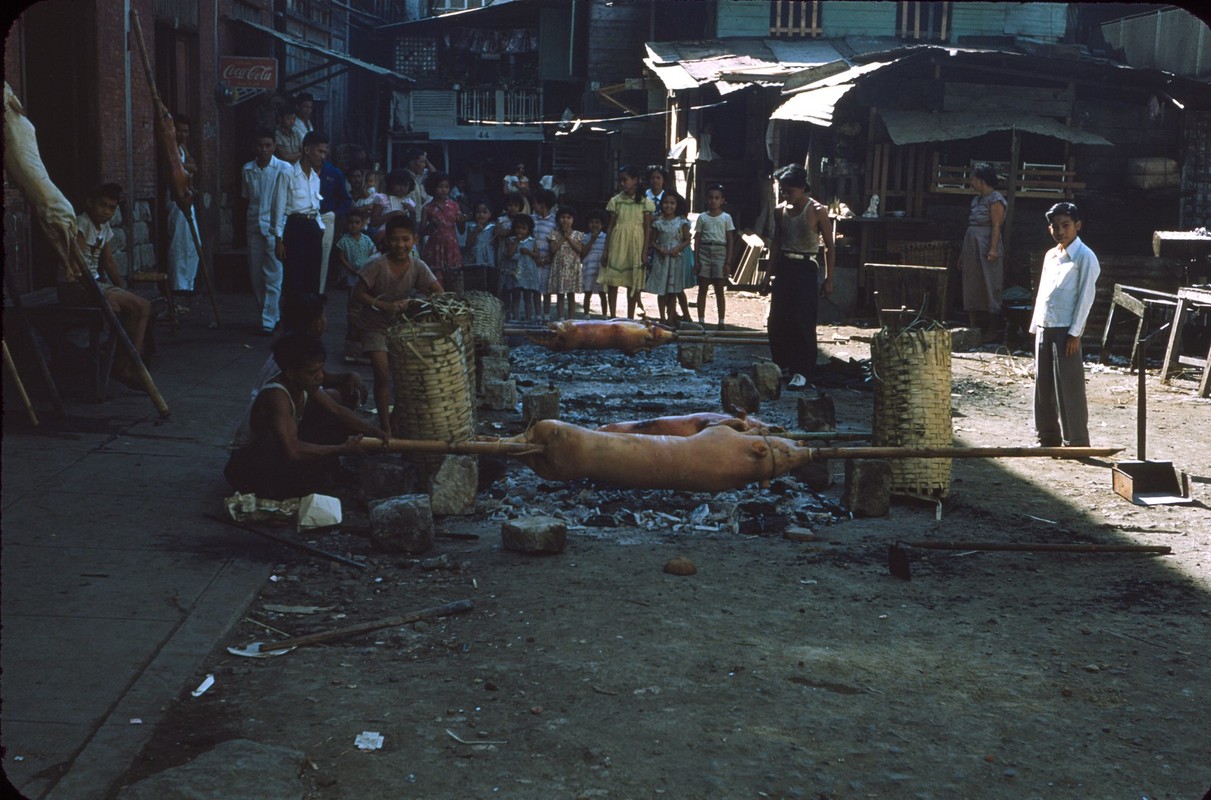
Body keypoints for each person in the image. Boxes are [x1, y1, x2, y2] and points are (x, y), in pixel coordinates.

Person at [224, 332, 386, 500]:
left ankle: (310, 477)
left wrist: (374, 430)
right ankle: (277, 489)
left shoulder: (303, 383)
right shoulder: (277, 396)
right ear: (291, 373)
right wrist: (342, 449)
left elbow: (337, 410)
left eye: (321, 369)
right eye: (312, 372)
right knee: (278, 446)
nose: (321, 377)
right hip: (246, 466)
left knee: (336, 421)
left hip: (277, 451)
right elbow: (293, 450)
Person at [351, 216, 445, 436]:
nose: (400, 245)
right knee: (382, 374)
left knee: (406, 377)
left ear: (415, 240)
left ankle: (396, 421)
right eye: (394, 240)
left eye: (405, 239)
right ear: (387, 240)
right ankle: (384, 427)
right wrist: (384, 305)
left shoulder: (418, 266)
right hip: (374, 325)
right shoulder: (376, 264)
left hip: (402, 328)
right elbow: (357, 295)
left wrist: (415, 303)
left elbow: (439, 293)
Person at [60, 183, 152, 389]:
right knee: (130, 307)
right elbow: (78, 267)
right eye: (103, 205)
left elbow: (108, 261)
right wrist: (108, 293)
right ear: (89, 203)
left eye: (112, 208)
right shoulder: (82, 224)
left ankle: (129, 362)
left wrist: (121, 287)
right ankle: (127, 365)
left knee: (141, 306)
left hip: (94, 285)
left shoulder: (104, 227)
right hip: (78, 288)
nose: (107, 212)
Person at [1030, 202, 1100, 448]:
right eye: (1056, 227)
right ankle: (1047, 436)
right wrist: (1036, 327)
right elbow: (1043, 293)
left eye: (1066, 226)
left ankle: (1077, 440)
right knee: (1044, 385)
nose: (1061, 231)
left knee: (1069, 387)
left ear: (1077, 226)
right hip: (1045, 326)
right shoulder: (1051, 255)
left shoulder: (1085, 257)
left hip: (1066, 331)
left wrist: (1075, 333)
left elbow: (1085, 298)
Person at [768, 163, 834, 391]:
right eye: (782, 190)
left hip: (806, 268)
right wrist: (767, 274)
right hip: (785, 266)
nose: (785, 194)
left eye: (789, 190)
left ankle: (803, 371)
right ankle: (783, 365)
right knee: (777, 320)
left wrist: (829, 278)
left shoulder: (817, 210)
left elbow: (829, 246)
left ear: (802, 188)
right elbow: (777, 241)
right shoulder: (780, 211)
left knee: (802, 320)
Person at [252, 293, 368, 410]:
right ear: (317, 323)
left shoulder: (297, 339)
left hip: (271, 400)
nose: (325, 320)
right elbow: (333, 406)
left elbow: (323, 377)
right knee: (341, 395)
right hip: (272, 405)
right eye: (323, 316)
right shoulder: (299, 346)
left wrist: (349, 375)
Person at [242, 128, 291, 334]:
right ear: (255, 146)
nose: (264, 149)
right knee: (255, 274)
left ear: (274, 147)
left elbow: (287, 199)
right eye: (260, 145)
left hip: (275, 227)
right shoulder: (248, 169)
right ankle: (269, 312)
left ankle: (268, 320)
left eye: (268, 145)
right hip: (254, 225)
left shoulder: (284, 168)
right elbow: (247, 197)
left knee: (273, 273)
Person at [271, 130, 328, 298]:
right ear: (307, 150)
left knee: (312, 276)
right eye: (320, 151)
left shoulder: (315, 179)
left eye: (325, 152)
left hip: (312, 228)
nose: (322, 156)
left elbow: (315, 207)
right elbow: (279, 207)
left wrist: (320, 228)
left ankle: (310, 320)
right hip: (294, 227)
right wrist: (278, 240)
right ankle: (292, 319)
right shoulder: (287, 174)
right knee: (294, 277)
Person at [960, 163, 1008, 342]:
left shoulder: (995, 199)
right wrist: (962, 254)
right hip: (971, 245)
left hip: (987, 244)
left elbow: (996, 226)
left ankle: (993, 329)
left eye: (973, 178)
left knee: (990, 283)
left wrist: (993, 249)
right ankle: (974, 327)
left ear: (981, 180)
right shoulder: (976, 199)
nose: (971, 181)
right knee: (971, 283)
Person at [600, 165, 654, 319]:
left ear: (635, 180)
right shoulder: (616, 201)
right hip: (617, 242)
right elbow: (610, 227)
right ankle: (612, 316)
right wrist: (606, 250)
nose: (622, 183)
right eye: (620, 180)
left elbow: (647, 228)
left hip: (636, 243)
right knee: (613, 281)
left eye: (625, 180)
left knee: (633, 282)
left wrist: (644, 252)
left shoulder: (645, 202)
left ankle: (630, 317)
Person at [333, 209, 378, 357]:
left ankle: (361, 324)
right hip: (351, 273)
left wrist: (368, 268)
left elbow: (372, 254)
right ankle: (352, 325)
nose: (354, 226)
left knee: (363, 299)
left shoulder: (366, 240)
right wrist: (350, 269)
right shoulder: (344, 240)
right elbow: (341, 257)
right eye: (351, 223)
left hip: (364, 274)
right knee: (352, 299)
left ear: (363, 223)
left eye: (357, 223)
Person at [694, 182, 736, 329]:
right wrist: (696, 259)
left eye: (717, 198)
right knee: (703, 288)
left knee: (719, 288)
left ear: (722, 200)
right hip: (705, 251)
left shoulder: (726, 218)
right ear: (706, 199)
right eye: (711, 197)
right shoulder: (702, 218)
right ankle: (701, 320)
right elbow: (697, 239)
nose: (713, 200)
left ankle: (721, 322)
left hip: (720, 252)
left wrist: (728, 262)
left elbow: (730, 240)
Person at [645, 192, 690, 326]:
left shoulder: (681, 221)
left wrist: (677, 249)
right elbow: (652, 241)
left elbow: (687, 239)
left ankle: (671, 319)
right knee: (661, 290)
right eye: (666, 203)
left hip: (676, 259)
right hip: (662, 259)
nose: (668, 206)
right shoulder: (658, 222)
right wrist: (660, 250)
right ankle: (662, 318)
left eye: (672, 203)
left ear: (676, 205)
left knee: (673, 291)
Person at [167, 113, 199, 295]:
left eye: (186, 131)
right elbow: (174, 167)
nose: (182, 134)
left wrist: (184, 165)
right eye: (179, 130)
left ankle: (189, 283)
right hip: (176, 200)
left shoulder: (182, 148)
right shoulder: (170, 149)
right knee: (178, 243)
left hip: (187, 198)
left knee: (192, 244)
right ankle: (179, 286)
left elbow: (194, 166)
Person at [420, 172, 465, 290]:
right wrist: (432, 226)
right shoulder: (427, 208)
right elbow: (422, 232)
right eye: (440, 187)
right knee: (436, 280)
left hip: (452, 246)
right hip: (435, 248)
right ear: (433, 188)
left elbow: (461, 230)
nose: (444, 190)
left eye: (446, 187)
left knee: (454, 279)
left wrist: (462, 221)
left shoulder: (454, 205)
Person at [547, 205, 586, 320]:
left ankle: (571, 318)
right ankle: (561, 317)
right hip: (559, 266)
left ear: (573, 220)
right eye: (563, 217)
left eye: (569, 217)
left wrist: (568, 238)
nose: (565, 220)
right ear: (558, 219)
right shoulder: (554, 234)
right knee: (560, 294)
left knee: (571, 294)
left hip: (572, 267)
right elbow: (553, 250)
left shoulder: (578, 234)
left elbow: (579, 250)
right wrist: (563, 238)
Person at [502, 214, 539, 322]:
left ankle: (528, 318)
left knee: (528, 296)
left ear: (528, 230)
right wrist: (516, 241)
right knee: (515, 295)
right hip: (515, 271)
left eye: (524, 228)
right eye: (518, 228)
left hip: (527, 271)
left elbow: (537, 255)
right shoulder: (511, 239)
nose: (520, 231)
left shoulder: (532, 241)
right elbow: (509, 254)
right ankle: (515, 317)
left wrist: (529, 252)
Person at [370, 169, 418, 246]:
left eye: (405, 185)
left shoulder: (410, 202)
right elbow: (373, 222)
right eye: (399, 185)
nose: (402, 188)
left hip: (404, 239)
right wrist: (392, 214)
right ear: (391, 184)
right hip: (385, 237)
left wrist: (412, 212)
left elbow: (413, 226)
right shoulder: (382, 198)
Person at [459, 200, 498, 294]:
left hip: (489, 257)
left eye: (484, 212)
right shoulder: (472, 227)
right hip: (476, 257)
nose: (481, 215)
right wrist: (476, 231)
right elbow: (469, 244)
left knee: (490, 278)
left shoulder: (493, 227)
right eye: (478, 212)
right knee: (477, 279)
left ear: (490, 214)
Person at [531, 188, 558, 319]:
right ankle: (537, 315)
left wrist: (549, 258)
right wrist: (535, 258)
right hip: (534, 258)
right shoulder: (532, 220)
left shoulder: (554, 221)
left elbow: (555, 241)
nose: (533, 206)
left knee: (547, 289)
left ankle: (546, 315)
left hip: (548, 259)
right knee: (536, 288)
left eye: (535, 203)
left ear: (543, 205)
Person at [580, 209, 608, 316]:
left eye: (597, 222)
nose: (594, 225)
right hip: (589, 266)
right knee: (587, 292)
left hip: (600, 267)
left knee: (602, 293)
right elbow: (584, 251)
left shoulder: (605, 237)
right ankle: (586, 315)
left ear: (602, 224)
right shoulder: (585, 237)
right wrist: (592, 239)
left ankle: (605, 315)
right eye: (592, 222)